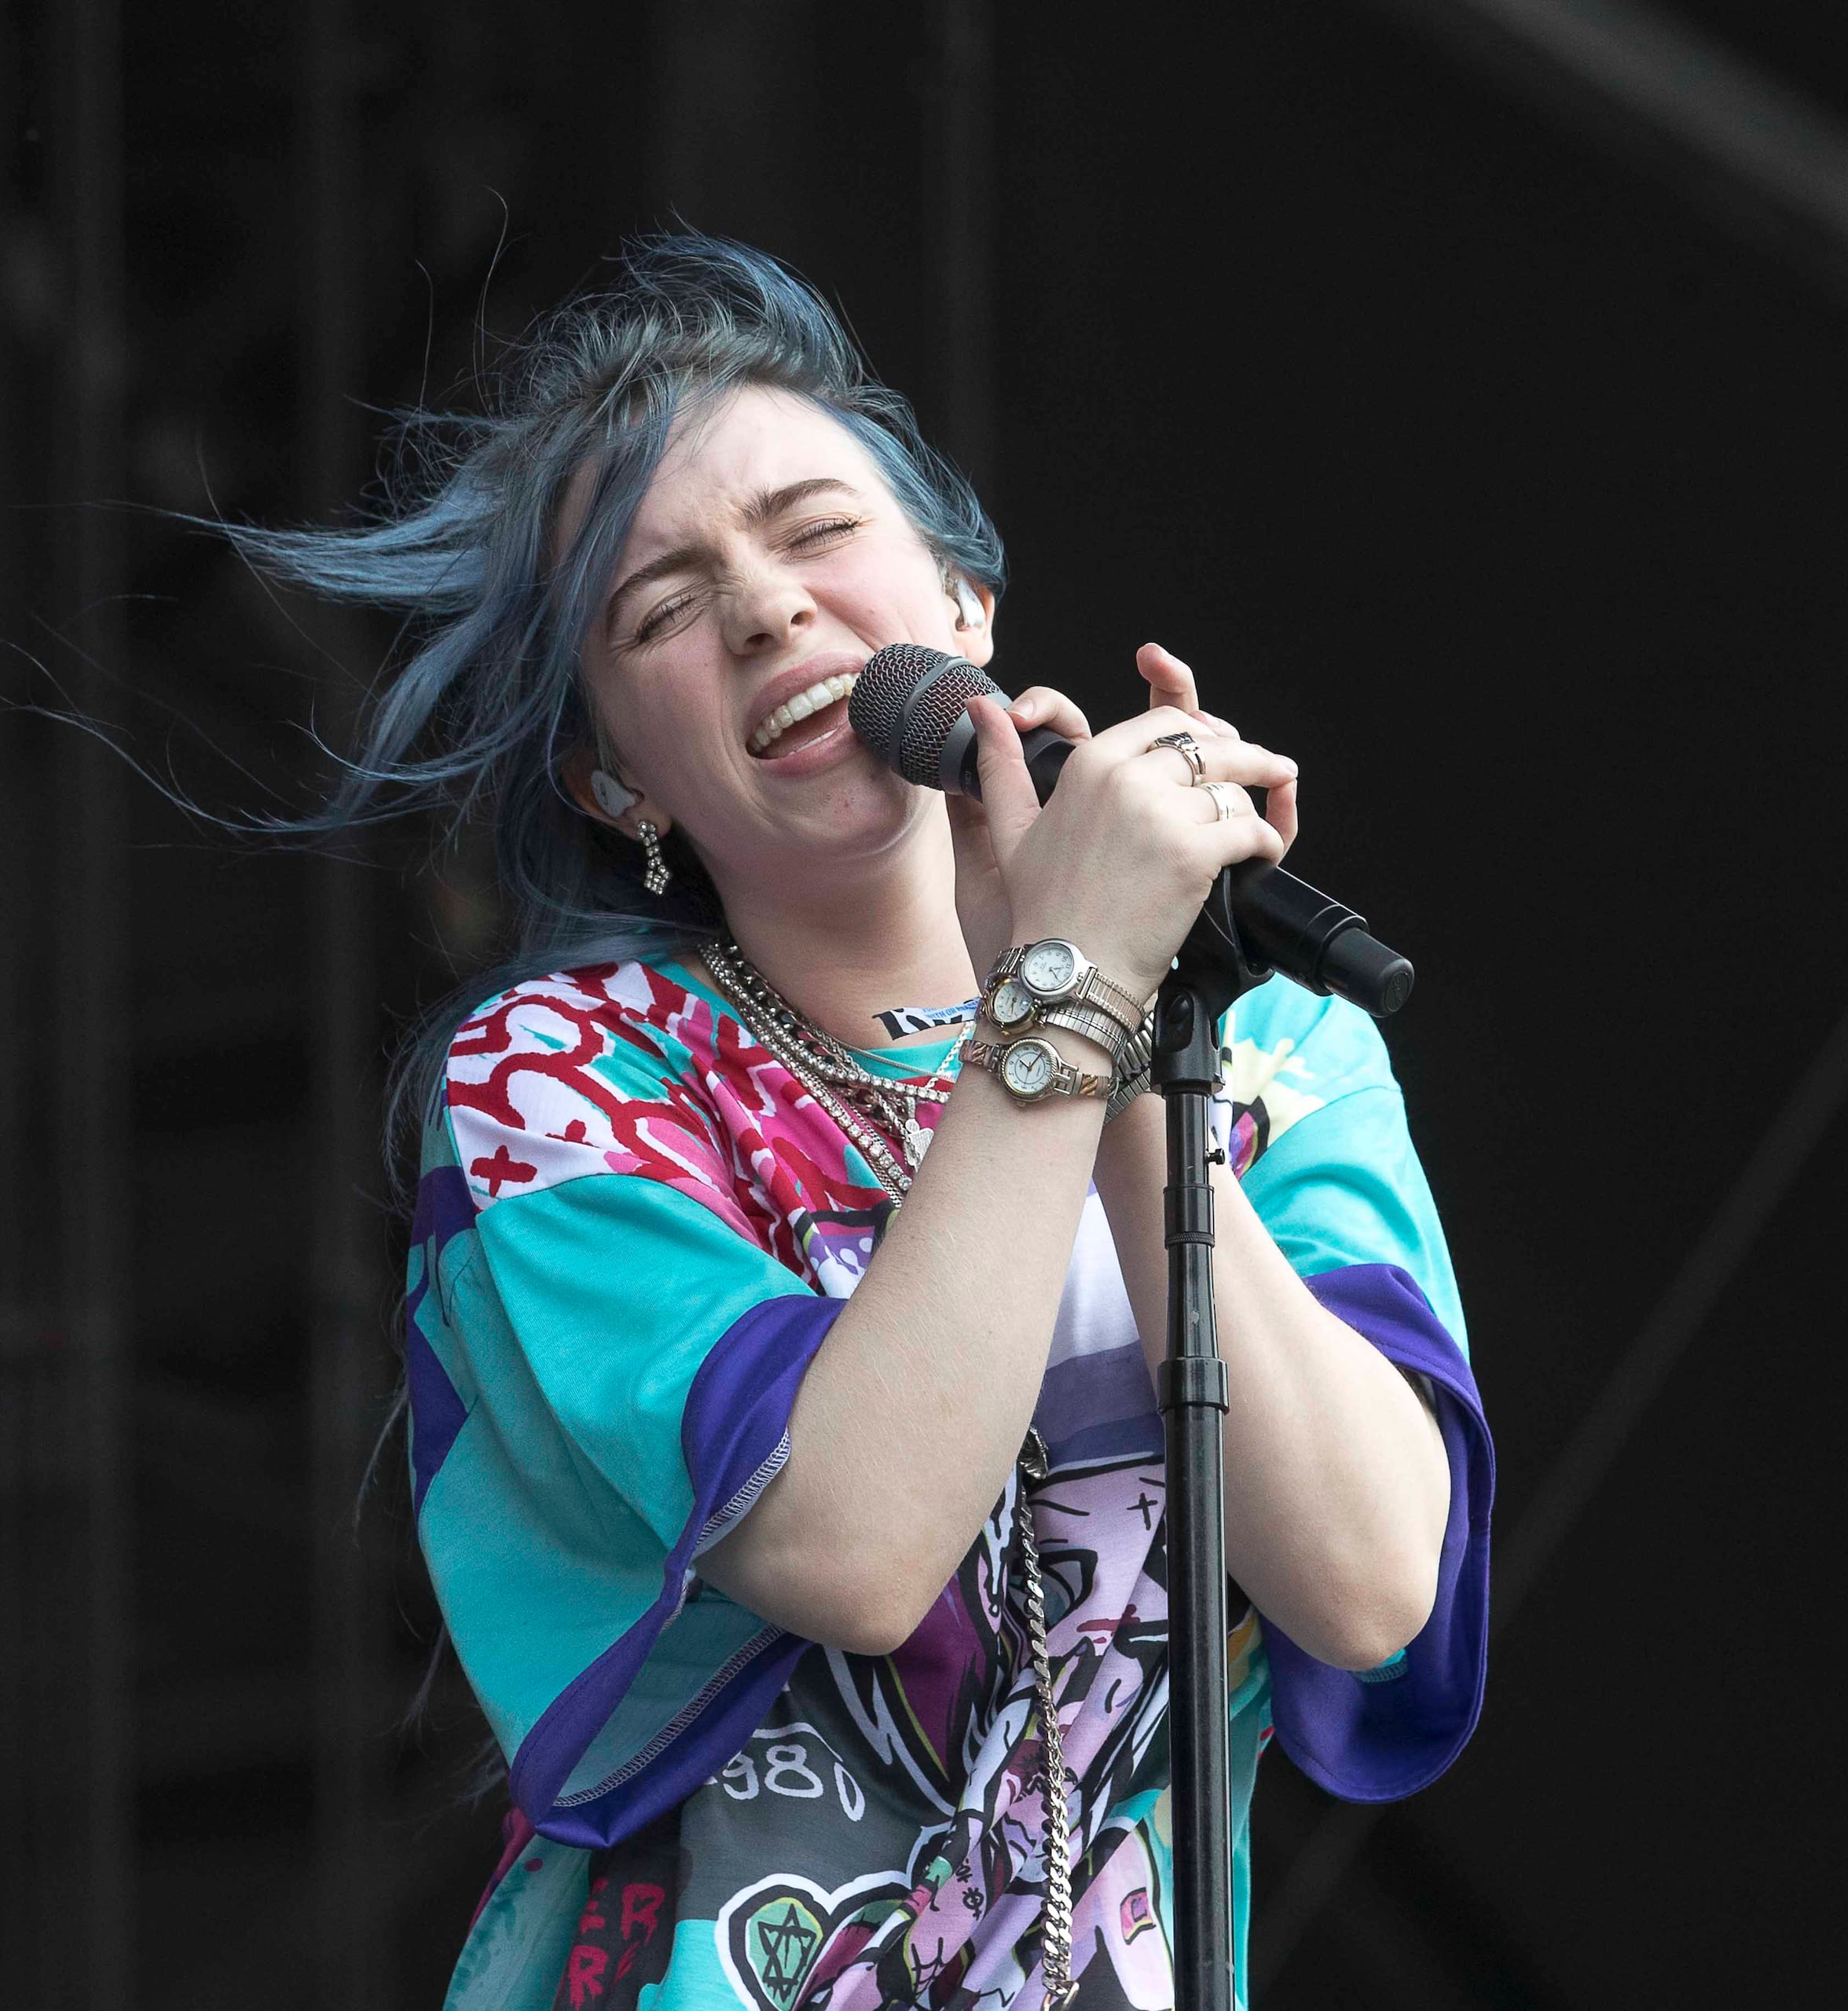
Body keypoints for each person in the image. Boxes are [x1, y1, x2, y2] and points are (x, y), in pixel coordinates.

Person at [244, 236, 1491, 2009]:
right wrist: (1060, 992)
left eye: (819, 531)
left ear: (965, 608)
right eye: (663, 605)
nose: (766, 609)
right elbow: (853, 1538)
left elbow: (1370, 1581)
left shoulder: (1259, 1041)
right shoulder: (560, 1084)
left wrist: (1119, 1025)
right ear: (613, 777)